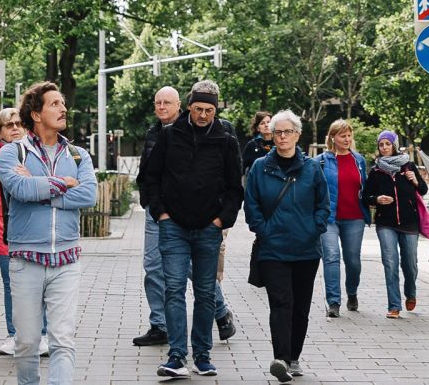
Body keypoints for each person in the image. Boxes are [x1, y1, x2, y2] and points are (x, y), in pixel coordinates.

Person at [139, 80, 244, 378]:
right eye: (198, 109)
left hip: (209, 227)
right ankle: (176, 356)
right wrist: (161, 213)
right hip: (173, 226)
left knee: (205, 292)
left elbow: (236, 187)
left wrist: (222, 220)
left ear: (215, 110)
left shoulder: (225, 139)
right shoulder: (171, 136)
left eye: (209, 110)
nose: (202, 115)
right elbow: (152, 176)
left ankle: (202, 355)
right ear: (188, 108)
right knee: (173, 289)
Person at [0, 82, 98, 385]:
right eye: (54, 103)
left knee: (62, 340)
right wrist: (65, 183)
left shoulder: (78, 155)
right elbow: (19, 188)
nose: (63, 108)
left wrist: (44, 188)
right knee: (26, 342)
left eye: (63, 103)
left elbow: (89, 196)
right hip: (26, 260)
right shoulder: (13, 153)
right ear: (36, 114)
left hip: (66, 260)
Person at [243, 110, 330, 383]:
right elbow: (252, 203)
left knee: (301, 306)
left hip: (306, 249)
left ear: (297, 135)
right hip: (273, 249)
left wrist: (314, 228)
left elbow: (323, 205)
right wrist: (263, 230)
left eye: (287, 132)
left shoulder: (312, 168)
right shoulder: (260, 167)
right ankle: (280, 358)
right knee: (281, 302)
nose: (282, 137)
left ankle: (294, 357)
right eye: (277, 132)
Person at [0, 108, 49, 357]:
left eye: (18, 124)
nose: (15, 128)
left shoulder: (36, 155)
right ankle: (14, 335)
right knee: (11, 285)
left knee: (38, 283)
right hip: (2, 232)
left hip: (33, 230)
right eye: (8, 125)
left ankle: (43, 335)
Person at [361, 130, 427, 318]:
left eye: (387, 144)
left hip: (409, 223)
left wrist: (414, 180)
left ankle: (411, 293)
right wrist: (377, 199)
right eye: (381, 145)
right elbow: (365, 197)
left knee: (410, 264)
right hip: (385, 223)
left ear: (394, 145)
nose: (384, 148)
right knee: (390, 263)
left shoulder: (408, 166)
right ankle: (394, 305)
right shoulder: (376, 171)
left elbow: (423, 190)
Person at [317, 119, 371, 318]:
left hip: (354, 217)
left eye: (349, 135)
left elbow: (364, 187)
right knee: (331, 257)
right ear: (333, 137)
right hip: (329, 218)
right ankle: (333, 302)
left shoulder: (359, 160)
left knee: (353, 261)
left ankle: (352, 293)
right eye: (342, 135)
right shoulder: (321, 161)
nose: (347, 139)